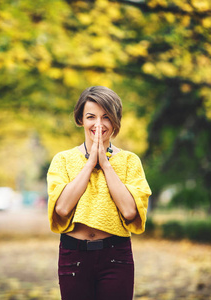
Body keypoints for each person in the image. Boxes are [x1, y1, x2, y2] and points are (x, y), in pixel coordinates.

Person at [47, 86, 151, 300]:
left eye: (106, 117)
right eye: (90, 117)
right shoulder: (63, 160)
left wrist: (105, 163)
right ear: (80, 120)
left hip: (116, 256)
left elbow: (130, 211)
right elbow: (63, 208)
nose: (98, 124)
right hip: (73, 256)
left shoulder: (130, 161)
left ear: (115, 121)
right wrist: (89, 164)